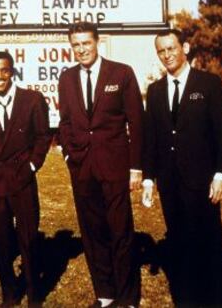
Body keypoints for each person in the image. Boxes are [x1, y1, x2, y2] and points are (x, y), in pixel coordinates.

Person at [142, 29, 222, 306]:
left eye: (171, 48)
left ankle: (218, 300)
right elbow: (151, 139)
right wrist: (148, 179)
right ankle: (187, 299)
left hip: (202, 182)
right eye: (161, 51)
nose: (167, 55)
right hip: (170, 183)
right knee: (179, 243)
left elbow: (220, 134)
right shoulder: (156, 91)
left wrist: (220, 175)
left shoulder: (208, 84)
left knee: (210, 242)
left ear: (185, 47)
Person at [58, 22, 143, 308]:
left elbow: (137, 123)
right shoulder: (66, 78)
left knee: (120, 231)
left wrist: (135, 168)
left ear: (97, 42)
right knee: (92, 232)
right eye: (76, 44)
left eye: (86, 43)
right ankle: (105, 294)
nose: (81, 49)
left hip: (115, 166)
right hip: (82, 168)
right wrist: (70, 155)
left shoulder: (121, 73)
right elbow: (66, 122)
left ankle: (128, 298)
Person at [0, 51, 51, 307]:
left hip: (23, 179)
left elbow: (43, 137)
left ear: (12, 71)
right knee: (0, 239)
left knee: (28, 237)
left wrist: (31, 165)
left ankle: (33, 291)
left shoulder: (31, 100)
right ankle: (9, 292)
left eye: (4, 70)